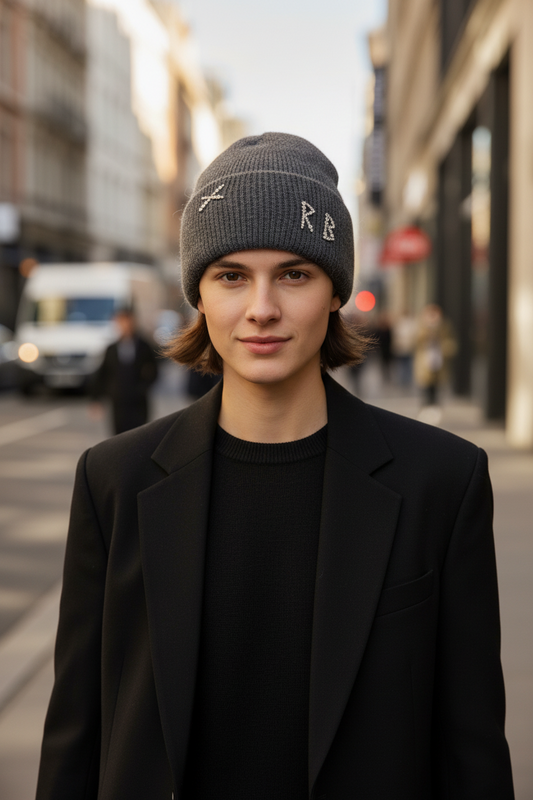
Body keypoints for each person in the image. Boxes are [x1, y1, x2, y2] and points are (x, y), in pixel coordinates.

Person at [36, 133, 514, 800]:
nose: (262, 308)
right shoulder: (114, 480)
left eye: (294, 274)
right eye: (231, 276)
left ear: (335, 291)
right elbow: (76, 739)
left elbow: (471, 749)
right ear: (200, 296)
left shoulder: (441, 480)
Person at [90, 307, 158, 434]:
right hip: (118, 402)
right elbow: (103, 374)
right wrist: (96, 399)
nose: (125, 325)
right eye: (121, 322)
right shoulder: (111, 349)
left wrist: (143, 388)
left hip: (138, 402)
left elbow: (154, 370)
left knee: (140, 435)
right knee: (119, 437)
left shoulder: (144, 346)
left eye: (127, 321)